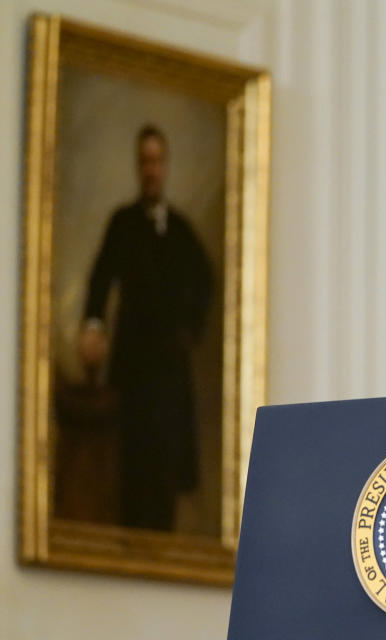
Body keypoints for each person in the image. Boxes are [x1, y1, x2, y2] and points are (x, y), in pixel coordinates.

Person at [78, 124, 212, 530]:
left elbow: (207, 279)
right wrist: (94, 326)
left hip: (169, 372)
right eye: (145, 161)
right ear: (139, 167)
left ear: (165, 166)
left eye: (157, 161)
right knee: (132, 466)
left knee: (166, 466)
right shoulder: (122, 223)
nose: (151, 169)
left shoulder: (182, 231)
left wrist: (190, 325)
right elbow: (101, 278)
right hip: (133, 368)